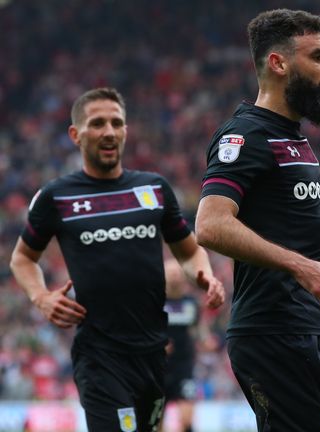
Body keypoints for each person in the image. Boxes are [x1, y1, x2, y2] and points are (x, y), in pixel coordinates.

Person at [194, 9, 320, 432]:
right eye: (319, 56)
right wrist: (301, 265)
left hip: (316, 329)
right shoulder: (246, 135)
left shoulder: (292, 135)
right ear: (278, 63)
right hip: (274, 334)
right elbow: (211, 224)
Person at [9, 87, 225, 432]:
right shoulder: (57, 196)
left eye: (116, 122)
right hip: (100, 356)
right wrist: (42, 297)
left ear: (125, 130)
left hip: (155, 353)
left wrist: (203, 275)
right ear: (75, 135)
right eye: (97, 123)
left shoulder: (154, 189)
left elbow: (189, 250)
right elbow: (22, 259)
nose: (109, 131)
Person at [163, 259, 202, 432]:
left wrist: (205, 341)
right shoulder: (155, 303)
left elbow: (198, 330)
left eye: (177, 273)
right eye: (171, 274)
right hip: (159, 368)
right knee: (155, 422)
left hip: (184, 367)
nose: (174, 278)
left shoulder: (191, 303)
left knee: (186, 420)